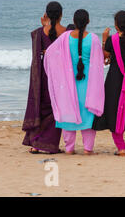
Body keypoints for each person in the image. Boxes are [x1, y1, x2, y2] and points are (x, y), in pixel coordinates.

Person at [44, 9, 105, 155]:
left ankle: (69, 148)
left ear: (74, 21)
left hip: (68, 84)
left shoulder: (65, 37)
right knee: (88, 115)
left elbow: (50, 53)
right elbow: (99, 62)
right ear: (88, 21)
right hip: (88, 84)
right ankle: (87, 149)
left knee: (68, 112)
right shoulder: (93, 39)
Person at [92, 11, 125, 156]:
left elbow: (105, 56)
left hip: (114, 81)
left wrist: (104, 40)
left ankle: (121, 148)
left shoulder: (112, 40)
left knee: (113, 113)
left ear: (116, 25)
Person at [22, 1, 66, 154]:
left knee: (40, 107)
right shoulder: (66, 32)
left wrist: (44, 24)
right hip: (59, 75)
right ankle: (51, 145)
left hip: (42, 75)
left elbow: (37, 53)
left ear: (46, 15)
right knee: (56, 108)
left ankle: (35, 144)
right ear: (61, 15)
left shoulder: (39, 32)